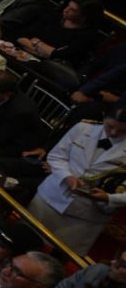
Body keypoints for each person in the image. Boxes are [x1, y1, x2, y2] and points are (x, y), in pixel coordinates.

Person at [26, 104, 126, 255]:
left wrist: (109, 198)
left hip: (86, 215)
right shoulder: (83, 128)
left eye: (122, 130)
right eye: (110, 126)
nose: (113, 133)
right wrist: (66, 176)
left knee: (59, 258)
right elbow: (56, 156)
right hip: (50, 198)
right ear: (104, 115)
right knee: (24, 241)